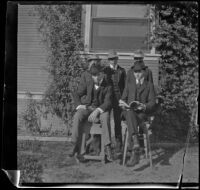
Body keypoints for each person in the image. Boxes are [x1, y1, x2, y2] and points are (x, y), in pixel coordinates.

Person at [70, 56, 113, 162]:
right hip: (88, 108)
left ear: (102, 74)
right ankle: (74, 144)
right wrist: (79, 105)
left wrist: (98, 110)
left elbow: (108, 102)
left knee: (105, 116)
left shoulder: (108, 85)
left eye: (97, 75)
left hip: (101, 110)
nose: (95, 78)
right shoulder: (89, 82)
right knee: (78, 115)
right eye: (93, 75)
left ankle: (107, 147)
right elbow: (77, 93)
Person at [119, 61, 156, 167]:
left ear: (144, 72)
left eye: (139, 71)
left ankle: (135, 147)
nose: (137, 74)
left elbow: (152, 103)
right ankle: (136, 145)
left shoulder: (149, 85)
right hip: (128, 112)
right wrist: (122, 104)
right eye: (135, 72)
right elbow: (123, 99)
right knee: (129, 111)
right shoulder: (129, 84)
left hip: (141, 115)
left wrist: (144, 106)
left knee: (131, 114)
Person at [103, 50, 126, 153]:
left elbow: (125, 87)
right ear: (109, 60)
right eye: (111, 59)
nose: (113, 61)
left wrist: (123, 99)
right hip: (108, 99)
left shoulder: (122, 71)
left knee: (117, 121)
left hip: (118, 98)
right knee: (105, 119)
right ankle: (105, 144)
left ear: (117, 59)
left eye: (114, 58)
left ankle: (118, 143)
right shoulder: (105, 71)